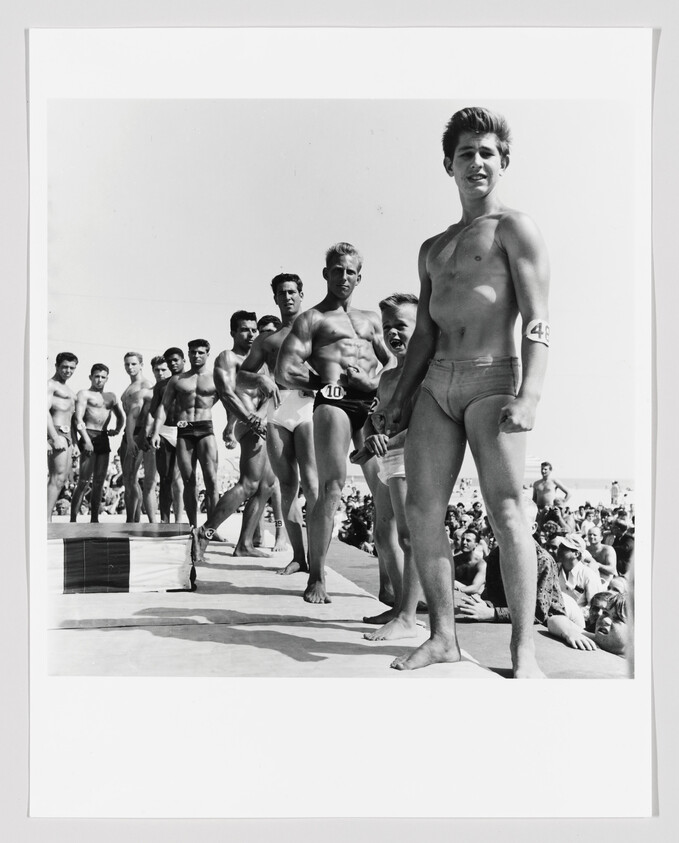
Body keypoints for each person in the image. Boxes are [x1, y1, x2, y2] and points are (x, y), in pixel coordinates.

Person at [374, 107, 550, 677]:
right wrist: (398, 395)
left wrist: (531, 395)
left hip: (492, 376)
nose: (477, 162)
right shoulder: (433, 247)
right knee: (423, 509)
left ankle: (524, 650)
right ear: (448, 164)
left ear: (504, 163)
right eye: (467, 153)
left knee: (506, 509)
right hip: (437, 382)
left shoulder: (514, 228)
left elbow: (538, 319)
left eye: (488, 153)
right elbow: (423, 331)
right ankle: (442, 635)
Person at [276, 242, 391, 603]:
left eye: (350, 271)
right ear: (326, 274)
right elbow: (285, 369)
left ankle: (388, 586)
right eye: (337, 270)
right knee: (332, 487)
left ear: (360, 276)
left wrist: (374, 386)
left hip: (369, 406)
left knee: (384, 493)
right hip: (335, 404)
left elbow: (392, 363)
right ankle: (317, 576)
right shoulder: (313, 318)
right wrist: (322, 384)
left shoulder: (372, 320)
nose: (344, 277)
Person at [349, 293, 425, 639]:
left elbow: (426, 422)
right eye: (388, 327)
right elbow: (373, 416)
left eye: (402, 326)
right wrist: (369, 439)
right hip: (386, 456)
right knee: (383, 531)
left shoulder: (425, 369)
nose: (393, 333)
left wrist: (388, 440)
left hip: (411, 456)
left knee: (409, 537)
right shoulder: (388, 373)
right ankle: (397, 604)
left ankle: (408, 616)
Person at [237, 274, 320, 574]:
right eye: (281, 293)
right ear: (274, 298)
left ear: (301, 294)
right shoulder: (267, 339)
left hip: (308, 405)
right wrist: (260, 377)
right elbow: (240, 376)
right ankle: (299, 556)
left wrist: (320, 384)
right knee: (286, 486)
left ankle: (319, 562)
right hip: (278, 408)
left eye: (292, 292)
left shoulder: (316, 329)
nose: (287, 297)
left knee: (313, 486)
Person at [190, 313, 277, 561]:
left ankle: (245, 543)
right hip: (246, 422)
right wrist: (251, 418)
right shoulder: (227, 358)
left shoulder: (261, 360)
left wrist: (262, 415)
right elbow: (227, 394)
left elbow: (271, 394)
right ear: (232, 333)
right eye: (244, 330)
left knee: (266, 486)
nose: (250, 335)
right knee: (248, 484)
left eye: (253, 330)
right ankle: (204, 533)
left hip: (264, 421)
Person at [150, 339, 219, 529]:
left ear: (207, 353)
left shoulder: (216, 377)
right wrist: (155, 432)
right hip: (184, 430)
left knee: (211, 480)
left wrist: (230, 426)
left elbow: (228, 401)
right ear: (188, 355)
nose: (196, 356)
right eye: (193, 352)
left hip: (205, 428)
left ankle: (212, 528)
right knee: (188, 481)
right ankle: (193, 527)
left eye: (200, 352)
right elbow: (163, 407)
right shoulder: (177, 380)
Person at [70, 364, 124, 522]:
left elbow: (121, 416)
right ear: (90, 377)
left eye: (103, 377)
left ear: (107, 378)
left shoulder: (111, 396)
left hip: (103, 438)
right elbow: (78, 418)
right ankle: (73, 519)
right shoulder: (84, 394)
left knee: (100, 481)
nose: (99, 380)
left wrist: (117, 429)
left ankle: (94, 519)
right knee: (84, 481)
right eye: (96, 376)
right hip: (89, 434)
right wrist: (85, 439)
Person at [143, 351, 185, 523]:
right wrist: (153, 433)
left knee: (182, 481)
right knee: (165, 478)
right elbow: (153, 412)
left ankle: (181, 520)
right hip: (166, 431)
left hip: (185, 431)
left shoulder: (188, 382)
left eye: (163, 369)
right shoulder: (160, 387)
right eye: (157, 370)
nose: (160, 373)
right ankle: (165, 521)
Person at [119, 352, 156, 523]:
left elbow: (147, 414)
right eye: (127, 364)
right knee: (128, 478)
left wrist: (139, 438)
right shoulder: (129, 387)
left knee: (131, 478)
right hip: (127, 434)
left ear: (141, 365)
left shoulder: (145, 384)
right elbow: (126, 415)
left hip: (138, 433)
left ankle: (132, 519)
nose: (130, 368)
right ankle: (134, 518)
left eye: (133, 364)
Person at [47, 351, 79, 520]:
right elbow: (44, 411)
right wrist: (53, 436)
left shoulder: (69, 390)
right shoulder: (51, 385)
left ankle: (47, 517)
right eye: (64, 367)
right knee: (56, 476)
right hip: (56, 431)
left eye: (72, 368)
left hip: (67, 435)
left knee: (62, 478)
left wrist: (74, 443)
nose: (68, 370)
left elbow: (72, 419)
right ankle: (45, 519)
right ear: (57, 366)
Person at [556, 533, 603, 609]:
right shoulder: (556, 570)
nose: (559, 550)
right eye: (560, 547)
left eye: (564, 548)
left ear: (576, 554)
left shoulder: (589, 575)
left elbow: (594, 607)